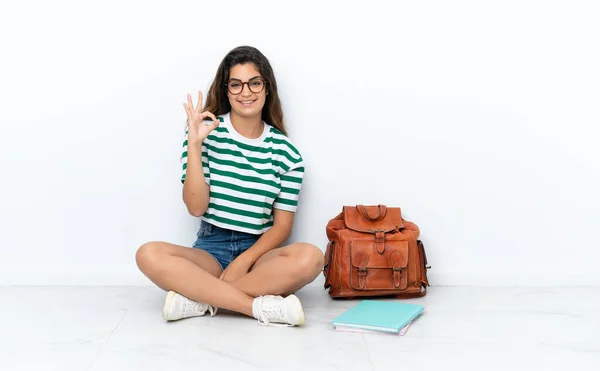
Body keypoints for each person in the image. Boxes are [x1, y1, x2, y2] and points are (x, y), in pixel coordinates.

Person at [135, 46, 324, 327]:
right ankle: (255, 307)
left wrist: (242, 262)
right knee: (148, 253)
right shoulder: (205, 131)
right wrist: (195, 144)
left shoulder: (287, 153)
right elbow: (196, 207)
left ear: (267, 88)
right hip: (210, 249)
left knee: (311, 257)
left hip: (257, 253)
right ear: (226, 90)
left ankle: (200, 298)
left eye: (254, 83)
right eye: (236, 84)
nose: (245, 92)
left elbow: (282, 227)